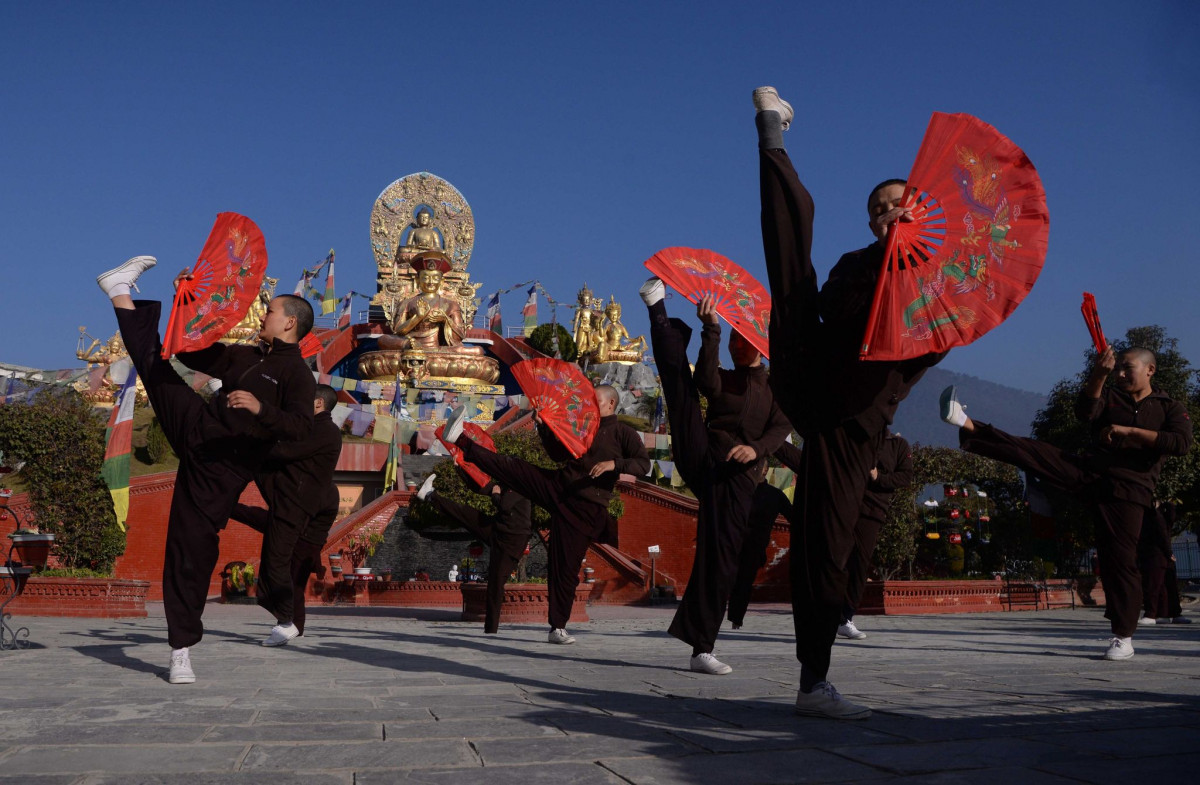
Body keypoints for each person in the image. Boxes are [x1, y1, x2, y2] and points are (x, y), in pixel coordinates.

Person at [753, 85, 945, 719]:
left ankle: (812, 680)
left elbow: (929, 349)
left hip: (855, 418)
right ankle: (772, 137)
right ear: (873, 223)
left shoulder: (937, 287)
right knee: (790, 265)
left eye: (900, 204)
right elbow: (832, 314)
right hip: (820, 373)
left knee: (824, 546)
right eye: (881, 208)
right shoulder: (857, 263)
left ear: (918, 214)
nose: (891, 212)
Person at [95, 255, 315, 684]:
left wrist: (259, 407)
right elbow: (190, 348)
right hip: (198, 426)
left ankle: (180, 650)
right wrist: (187, 300)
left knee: (191, 548)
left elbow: (301, 428)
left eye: (270, 311)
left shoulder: (297, 376)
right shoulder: (246, 356)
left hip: (223, 466)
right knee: (155, 368)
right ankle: (119, 290)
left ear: (289, 323)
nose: (263, 314)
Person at [941, 344, 1193, 659]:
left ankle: (1122, 636)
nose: (1121, 373)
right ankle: (966, 423)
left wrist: (1131, 431)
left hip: (1128, 490)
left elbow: (1181, 443)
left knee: (1119, 561)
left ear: (1149, 370)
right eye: (1118, 368)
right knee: (1035, 452)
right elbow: (1085, 412)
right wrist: (1099, 375)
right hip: (1089, 471)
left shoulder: (1169, 407)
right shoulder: (1111, 395)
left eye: (1127, 368)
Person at [639, 285, 791, 674]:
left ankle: (700, 648)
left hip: (736, 478)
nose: (739, 346)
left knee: (720, 558)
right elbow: (706, 381)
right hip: (704, 453)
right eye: (735, 339)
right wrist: (711, 330)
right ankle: (657, 308)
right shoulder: (727, 375)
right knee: (682, 392)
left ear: (760, 345)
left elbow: (780, 428)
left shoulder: (777, 391)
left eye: (744, 340)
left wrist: (755, 450)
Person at [441, 384, 650, 644]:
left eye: (595, 401)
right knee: (514, 469)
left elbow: (644, 464)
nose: (589, 405)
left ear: (610, 404)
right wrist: (542, 425)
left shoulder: (623, 433)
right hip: (559, 486)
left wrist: (613, 465)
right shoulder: (582, 426)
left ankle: (557, 627)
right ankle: (461, 439)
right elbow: (556, 453)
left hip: (584, 508)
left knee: (565, 568)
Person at [230, 384, 343, 646]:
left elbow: (285, 451)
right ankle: (288, 623)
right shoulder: (315, 428)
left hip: (296, 503)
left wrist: (258, 438)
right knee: (278, 564)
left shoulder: (324, 430)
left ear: (318, 404)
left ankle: (287, 623)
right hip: (289, 496)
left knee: (278, 565)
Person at [415, 472, 533, 633]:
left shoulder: (519, 488)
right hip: (499, 532)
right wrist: (461, 470)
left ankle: (491, 629)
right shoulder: (506, 485)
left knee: (496, 583)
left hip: (511, 542)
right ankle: (430, 495)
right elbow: (482, 486)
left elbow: (504, 506)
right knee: (465, 513)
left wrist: (496, 494)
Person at [839, 431, 913, 640]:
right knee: (835, 560)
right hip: (844, 505)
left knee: (860, 565)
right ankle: (826, 614)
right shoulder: (855, 439)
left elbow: (906, 476)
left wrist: (879, 477)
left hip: (872, 512)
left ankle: (845, 617)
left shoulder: (898, 444)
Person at [727, 440, 803, 630]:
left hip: (754, 545)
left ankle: (736, 617)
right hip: (732, 541)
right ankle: (726, 614)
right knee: (729, 578)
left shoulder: (775, 495)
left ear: (764, 471)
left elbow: (794, 516)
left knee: (744, 579)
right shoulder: (740, 489)